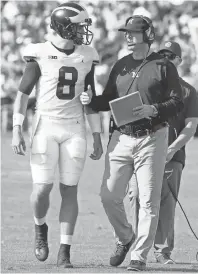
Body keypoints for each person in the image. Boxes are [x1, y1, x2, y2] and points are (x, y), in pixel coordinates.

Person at [81, 15, 184, 271]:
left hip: (152, 137)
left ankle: (138, 256)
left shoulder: (164, 66)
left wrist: (154, 109)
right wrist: (90, 100)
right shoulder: (120, 65)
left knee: (148, 200)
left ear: (147, 35)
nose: (128, 36)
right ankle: (126, 237)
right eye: (126, 32)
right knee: (108, 196)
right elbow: (107, 101)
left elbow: (177, 102)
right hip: (121, 137)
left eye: (133, 32)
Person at [11, 2, 103, 268]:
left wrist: (96, 134)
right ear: (64, 27)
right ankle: (40, 228)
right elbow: (23, 93)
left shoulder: (87, 54)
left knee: (69, 189)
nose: (83, 31)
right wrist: (17, 128)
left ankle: (65, 249)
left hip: (75, 125)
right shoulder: (39, 52)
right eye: (78, 26)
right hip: (45, 124)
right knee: (42, 189)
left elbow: (90, 97)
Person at [129, 41, 198, 265]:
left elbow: (191, 126)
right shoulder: (147, 84)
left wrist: (172, 148)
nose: (167, 59)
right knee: (138, 196)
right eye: (163, 55)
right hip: (142, 150)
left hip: (172, 154)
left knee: (166, 203)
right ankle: (138, 248)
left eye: (171, 56)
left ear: (179, 61)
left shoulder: (189, 90)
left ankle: (163, 251)